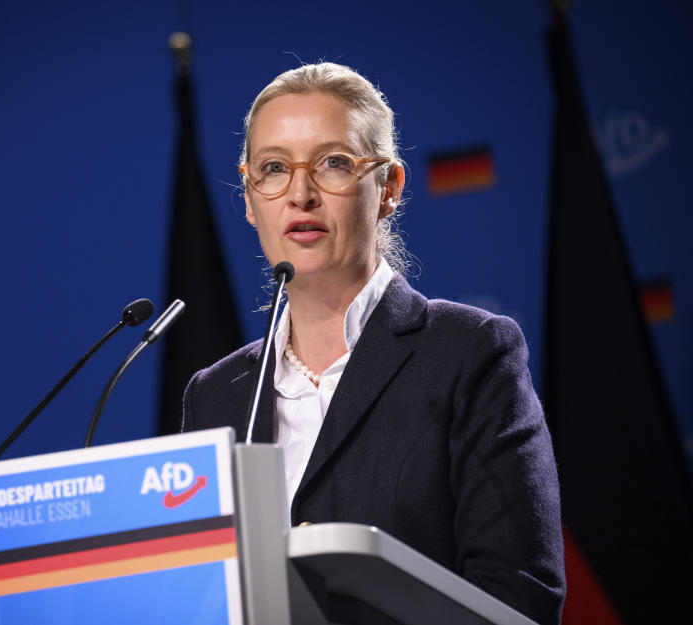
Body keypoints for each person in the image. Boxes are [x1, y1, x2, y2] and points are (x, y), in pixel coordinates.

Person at [180, 63, 565, 624]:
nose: (301, 194)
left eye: (334, 162)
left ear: (388, 188)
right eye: (273, 169)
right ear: (248, 197)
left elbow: (519, 594)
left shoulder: (470, 354)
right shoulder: (215, 396)